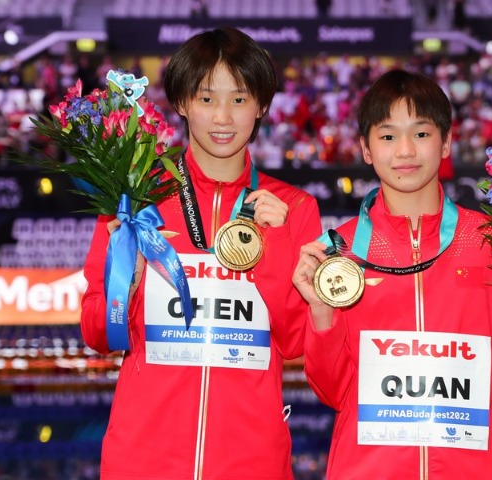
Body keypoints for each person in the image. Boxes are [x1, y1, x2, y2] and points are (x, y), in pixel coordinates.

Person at [292, 69, 492, 478]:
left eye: (421, 133)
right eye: (388, 136)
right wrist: (321, 312)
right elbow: (333, 389)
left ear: (445, 142)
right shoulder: (338, 254)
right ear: (366, 149)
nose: (405, 150)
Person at [81, 27, 322, 479]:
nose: (223, 117)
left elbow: (296, 342)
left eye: (240, 98)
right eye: (207, 99)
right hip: (143, 459)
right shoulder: (135, 199)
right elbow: (97, 332)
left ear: (261, 106)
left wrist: (274, 248)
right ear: (182, 102)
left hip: (251, 463)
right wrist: (128, 281)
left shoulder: (292, 209)